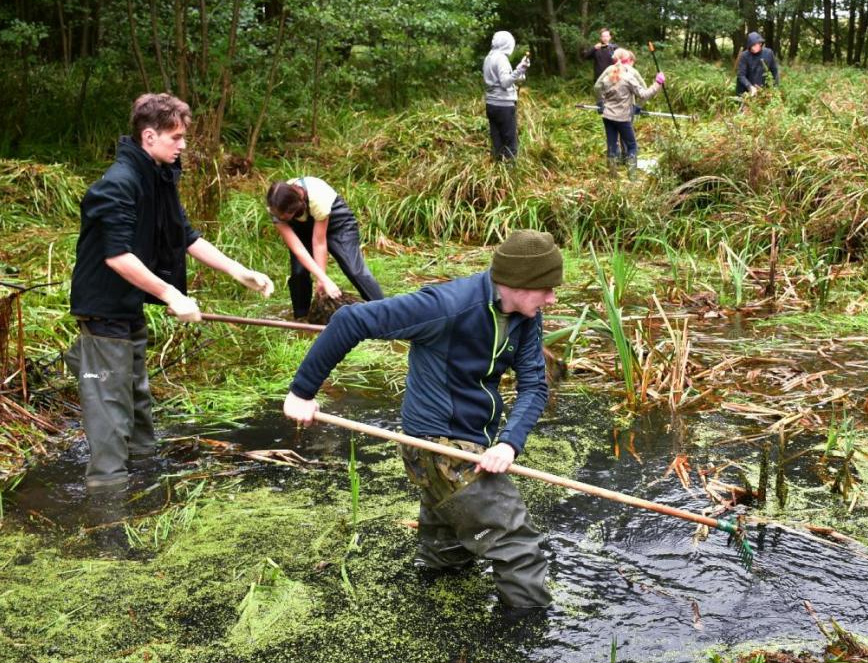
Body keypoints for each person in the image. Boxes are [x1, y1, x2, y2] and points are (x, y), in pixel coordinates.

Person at [283, 229, 563, 608]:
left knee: (447, 552)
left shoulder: (527, 316)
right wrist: (302, 392)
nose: (552, 297)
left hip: (473, 444)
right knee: (519, 547)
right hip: (438, 447)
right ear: (517, 282)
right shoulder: (445, 306)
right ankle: (528, 639)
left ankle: (429, 606)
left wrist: (509, 442)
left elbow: (533, 386)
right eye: (545, 288)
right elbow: (350, 321)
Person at [69, 93, 274, 491]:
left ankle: (145, 473)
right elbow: (117, 256)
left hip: (128, 307)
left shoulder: (159, 177)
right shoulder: (117, 185)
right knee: (109, 408)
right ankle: (107, 500)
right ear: (149, 136)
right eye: (176, 137)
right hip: (102, 308)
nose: (183, 145)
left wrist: (239, 271)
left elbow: (185, 235)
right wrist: (171, 294)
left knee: (137, 397)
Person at [266, 178, 383, 320]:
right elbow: (298, 249)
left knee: (354, 269)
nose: (280, 219)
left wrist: (322, 280)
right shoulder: (275, 208)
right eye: (279, 217)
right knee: (299, 273)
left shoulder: (317, 197)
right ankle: (301, 318)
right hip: (302, 231)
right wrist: (322, 279)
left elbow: (319, 242)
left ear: (296, 206)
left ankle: (383, 311)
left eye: (284, 217)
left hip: (338, 224)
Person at [593, 48, 664, 173]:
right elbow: (644, 94)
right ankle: (632, 175)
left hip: (607, 115)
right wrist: (657, 84)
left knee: (612, 144)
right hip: (623, 116)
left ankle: (612, 174)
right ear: (628, 60)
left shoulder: (608, 74)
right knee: (632, 145)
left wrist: (601, 103)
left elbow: (598, 87)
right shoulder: (629, 76)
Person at [483, 31, 530, 161]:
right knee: (510, 143)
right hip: (503, 105)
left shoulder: (489, 57)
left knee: (497, 142)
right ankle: (510, 173)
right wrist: (519, 70)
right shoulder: (501, 59)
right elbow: (505, 83)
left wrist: (520, 72)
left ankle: (497, 171)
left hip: (491, 104)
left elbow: (503, 79)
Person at [735, 31, 780, 98]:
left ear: (761, 43)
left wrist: (774, 88)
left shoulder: (768, 53)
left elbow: (774, 71)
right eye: (753, 45)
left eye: (757, 44)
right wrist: (750, 87)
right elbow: (741, 75)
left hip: (764, 89)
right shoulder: (744, 56)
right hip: (747, 90)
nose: (755, 47)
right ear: (749, 46)